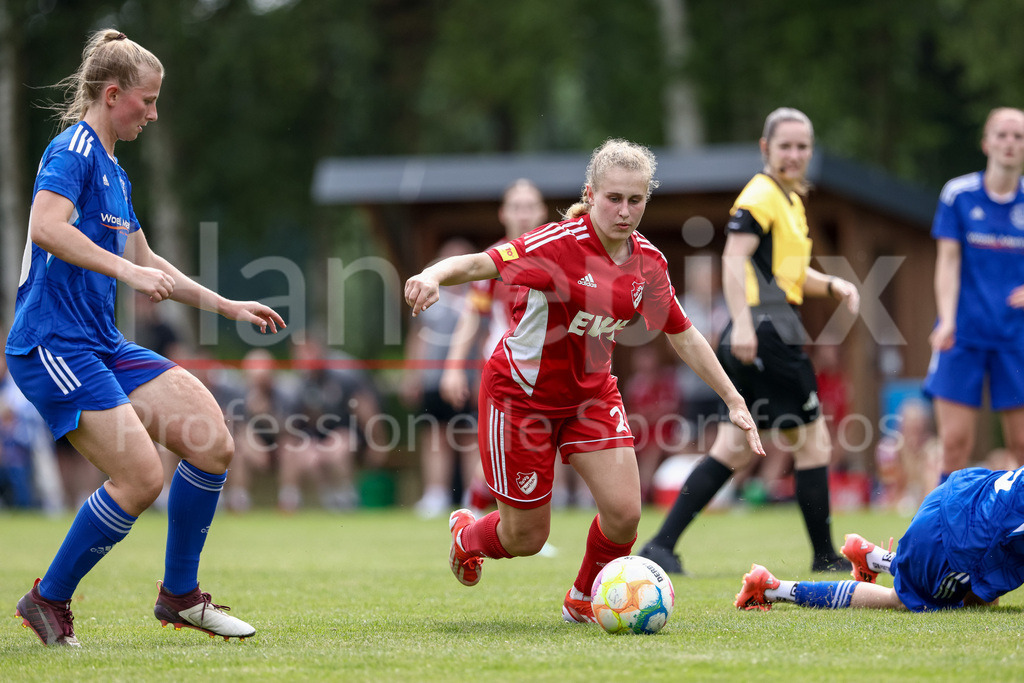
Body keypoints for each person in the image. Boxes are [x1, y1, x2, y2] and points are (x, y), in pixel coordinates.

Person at [404, 138, 763, 623]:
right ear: (590, 195)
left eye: (635, 200)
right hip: (520, 399)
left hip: (590, 398)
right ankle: (468, 536)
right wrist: (431, 275)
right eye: (614, 198)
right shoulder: (553, 244)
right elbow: (477, 264)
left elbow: (684, 335)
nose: (625, 211)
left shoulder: (648, 263)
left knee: (625, 514)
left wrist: (734, 399)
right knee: (527, 538)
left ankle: (581, 599)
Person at [7, 30, 285, 646]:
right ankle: (47, 600)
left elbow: (147, 259)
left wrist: (227, 306)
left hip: (99, 342)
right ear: (113, 95)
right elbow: (47, 228)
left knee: (211, 442)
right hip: (52, 345)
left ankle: (179, 596)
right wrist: (127, 273)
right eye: (148, 101)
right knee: (140, 477)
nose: (153, 114)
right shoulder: (71, 151)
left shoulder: (113, 171)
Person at [638, 108, 861, 575]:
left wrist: (832, 284)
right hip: (766, 332)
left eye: (802, 146)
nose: (794, 154)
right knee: (813, 442)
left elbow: (789, 274)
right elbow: (733, 258)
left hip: (763, 329)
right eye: (785, 146)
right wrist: (741, 323)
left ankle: (660, 545)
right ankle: (825, 557)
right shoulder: (761, 194)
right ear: (766, 148)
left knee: (734, 449)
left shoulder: (789, 201)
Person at [734, 465, 1024, 612]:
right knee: (903, 600)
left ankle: (874, 557)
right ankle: (773, 588)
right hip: (952, 540)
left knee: (981, 597)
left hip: (956, 494)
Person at [924, 107, 1024, 480]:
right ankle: (945, 520)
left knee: (1022, 446)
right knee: (954, 445)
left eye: (1018, 136)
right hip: (963, 333)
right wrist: (947, 320)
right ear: (986, 143)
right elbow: (947, 261)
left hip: (1017, 335)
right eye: (1002, 134)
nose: (1010, 143)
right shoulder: (958, 194)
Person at [401, 238, 480, 518]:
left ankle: (472, 496)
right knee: (435, 435)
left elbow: (485, 338)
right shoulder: (429, 296)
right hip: (433, 379)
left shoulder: (478, 296)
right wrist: (412, 375)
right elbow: (417, 337)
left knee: (470, 436)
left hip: (468, 378)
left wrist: (481, 377)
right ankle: (436, 494)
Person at [874, 398, 940, 514]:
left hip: (922, 499)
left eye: (917, 429)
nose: (914, 434)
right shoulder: (889, 448)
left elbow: (934, 485)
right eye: (909, 428)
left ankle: (925, 511)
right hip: (894, 502)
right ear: (901, 427)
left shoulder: (932, 449)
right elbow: (890, 486)